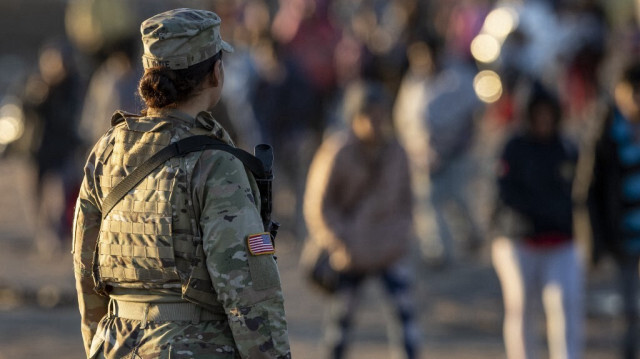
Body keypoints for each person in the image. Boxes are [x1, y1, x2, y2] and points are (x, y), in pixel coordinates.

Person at [72, 8, 290, 358]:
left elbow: (86, 273)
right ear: (216, 73)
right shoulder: (216, 164)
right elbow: (249, 293)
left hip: (114, 345)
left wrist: (100, 344)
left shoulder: (106, 151)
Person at [303, 81, 420, 359]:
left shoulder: (397, 153)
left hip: (389, 248)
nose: (375, 123)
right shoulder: (338, 151)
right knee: (340, 326)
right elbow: (318, 205)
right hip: (349, 251)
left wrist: (400, 237)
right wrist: (340, 239)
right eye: (368, 115)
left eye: (381, 115)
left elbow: (407, 202)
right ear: (354, 118)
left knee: (406, 321)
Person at [491, 84, 583, 359]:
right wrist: (542, 211)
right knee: (521, 307)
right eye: (537, 114)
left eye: (548, 114)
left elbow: (581, 191)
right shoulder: (514, 146)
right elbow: (505, 194)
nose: (544, 120)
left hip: (561, 241)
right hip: (519, 241)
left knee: (564, 303)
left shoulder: (566, 147)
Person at [588, 61, 640, 359]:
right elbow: (588, 189)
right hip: (623, 235)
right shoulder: (605, 129)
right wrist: (594, 242)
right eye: (631, 92)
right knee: (630, 308)